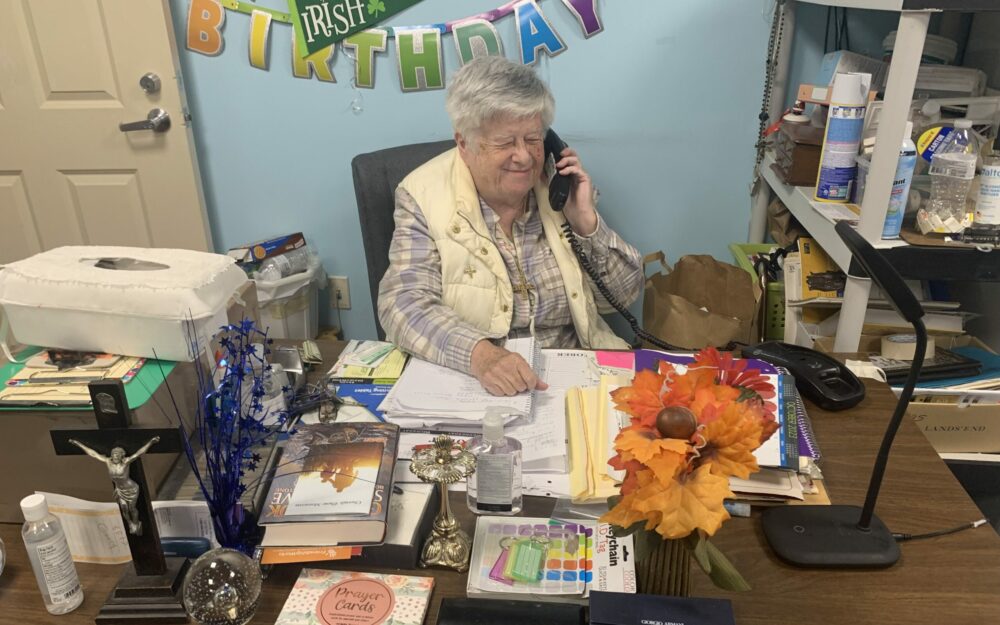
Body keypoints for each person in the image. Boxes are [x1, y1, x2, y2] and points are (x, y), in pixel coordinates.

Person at [378, 56, 642, 396]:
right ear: (464, 144)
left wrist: (585, 223)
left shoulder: (557, 188)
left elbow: (623, 297)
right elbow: (403, 303)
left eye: (533, 139)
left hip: (573, 374)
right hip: (473, 382)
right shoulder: (422, 194)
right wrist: (481, 355)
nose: (524, 157)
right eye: (505, 143)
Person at [68, 436, 160, 535]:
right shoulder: (108, 462)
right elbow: (93, 454)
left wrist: (151, 442)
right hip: (120, 489)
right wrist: (78, 444)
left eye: (117, 455)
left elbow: (139, 453)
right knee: (124, 508)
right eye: (113, 454)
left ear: (122, 456)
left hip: (131, 489)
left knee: (132, 508)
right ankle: (130, 524)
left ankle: (136, 523)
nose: (115, 456)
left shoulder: (126, 462)